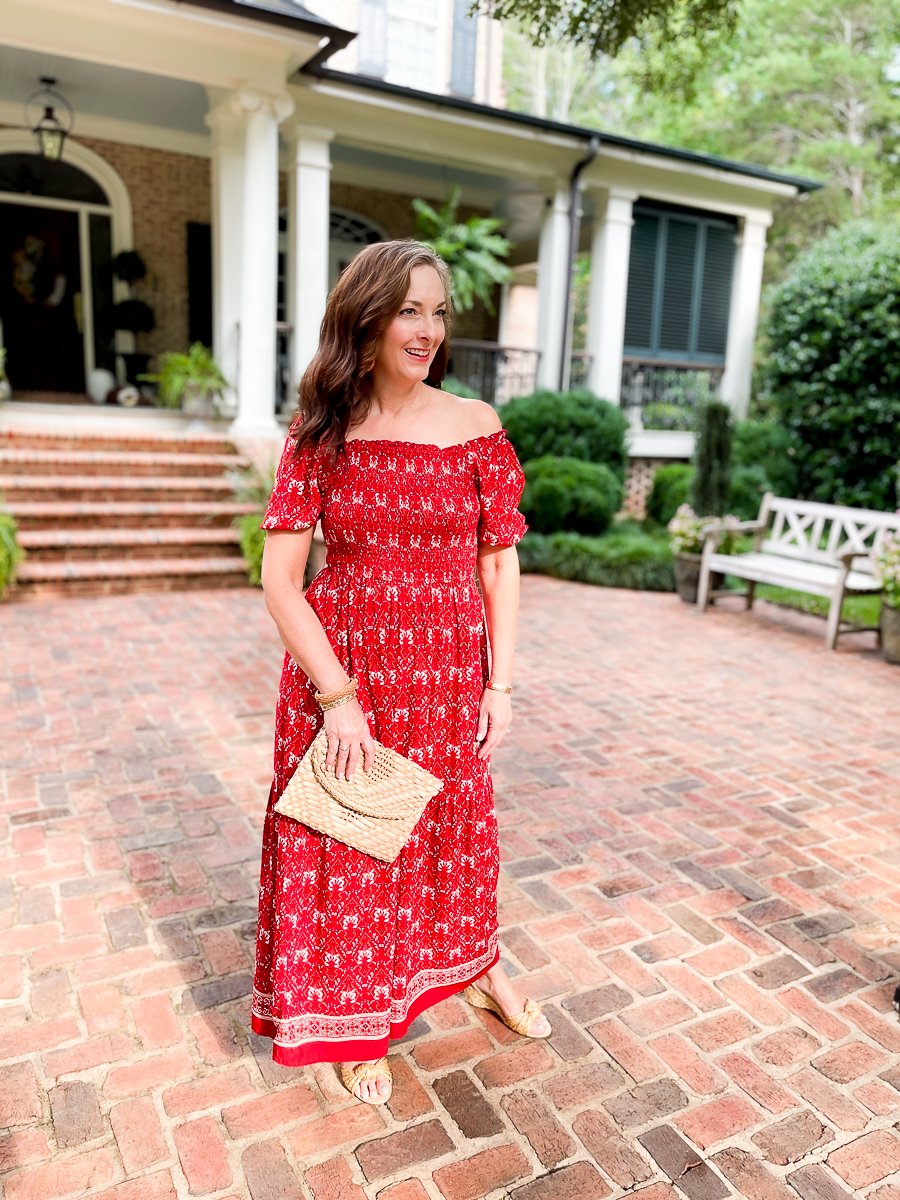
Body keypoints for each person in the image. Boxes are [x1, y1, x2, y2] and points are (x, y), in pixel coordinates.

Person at [252, 240, 550, 1105]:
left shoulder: (477, 425)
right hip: (350, 675)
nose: (428, 329)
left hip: (450, 677)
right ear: (368, 317)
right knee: (355, 846)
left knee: (455, 840)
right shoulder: (321, 432)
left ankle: (477, 968)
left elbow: (500, 562)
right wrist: (337, 698)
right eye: (409, 310)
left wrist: (500, 684)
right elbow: (280, 580)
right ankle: (362, 1018)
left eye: (440, 311)